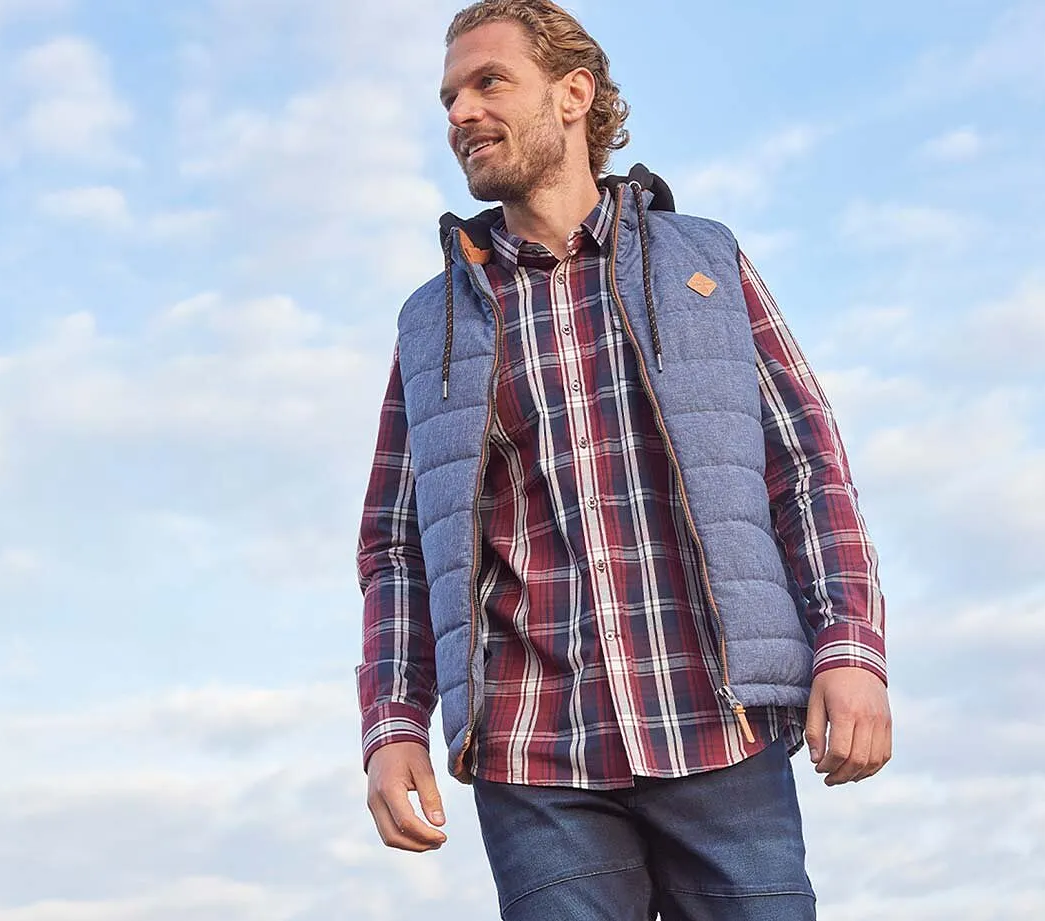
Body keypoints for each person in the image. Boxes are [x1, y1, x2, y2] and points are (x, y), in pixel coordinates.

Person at [354, 2, 890, 918]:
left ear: (573, 95)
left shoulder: (704, 262)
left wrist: (851, 646)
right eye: (448, 96)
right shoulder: (431, 318)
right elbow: (398, 545)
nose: (459, 113)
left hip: (719, 724)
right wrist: (393, 721)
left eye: (489, 83)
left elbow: (803, 463)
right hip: (535, 751)